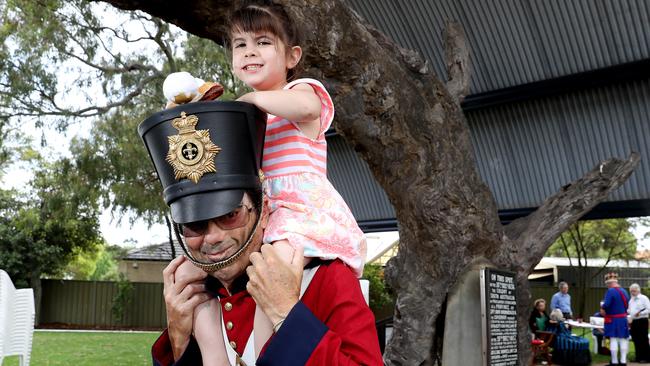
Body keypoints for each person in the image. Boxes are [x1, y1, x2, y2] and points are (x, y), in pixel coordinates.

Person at [167, 3, 370, 364]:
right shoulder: (247, 116)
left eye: (262, 42)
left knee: (271, 273)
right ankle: (213, 352)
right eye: (240, 45)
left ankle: (267, 348)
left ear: (292, 56)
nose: (249, 51)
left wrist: (252, 101)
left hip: (298, 214)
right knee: (186, 274)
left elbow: (307, 108)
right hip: (267, 207)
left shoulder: (300, 92)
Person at [138, 75, 383, 364]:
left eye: (230, 215)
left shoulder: (327, 279)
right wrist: (179, 338)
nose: (213, 236)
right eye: (194, 225)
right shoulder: (192, 297)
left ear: (263, 208)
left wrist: (287, 316)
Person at [601, 272, 630, 366]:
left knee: (613, 339)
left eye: (607, 284)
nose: (607, 286)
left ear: (609, 283)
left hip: (613, 319)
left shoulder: (610, 291)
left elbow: (606, 305)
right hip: (623, 319)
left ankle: (614, 362)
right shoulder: (624, 291)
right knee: (623, 340)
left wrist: (602, 305)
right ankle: (623, 361)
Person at [628, 283, 650, 363]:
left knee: (643, 339)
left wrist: (640, 313)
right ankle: (638, 357)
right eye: (631, 291)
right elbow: (630, 310)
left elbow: (648, 309)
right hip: (634, 322)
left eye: (633, 291)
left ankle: (646, 358)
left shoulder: (643, 298)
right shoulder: (631, 300)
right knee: (636, 339)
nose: (632, 293)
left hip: (642, 320)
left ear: (638, 290)